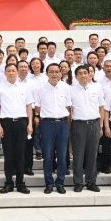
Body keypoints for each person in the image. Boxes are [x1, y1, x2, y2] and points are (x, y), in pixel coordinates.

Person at [0, 63, 34, 194]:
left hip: (21, 122)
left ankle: (20, 183)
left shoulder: (25, 87)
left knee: (20, 154)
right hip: (6, 123)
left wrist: (30, 123)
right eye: (9, 71)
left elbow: (29, 106)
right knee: (8, 155)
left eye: (13, 70)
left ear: (17, 72)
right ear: (5, 73)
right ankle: (8, 183)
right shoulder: (0, 88)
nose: (11, 73)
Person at [33, 63, 72, 194]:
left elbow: (68, 107)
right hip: (47, 124)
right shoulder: (40, 89)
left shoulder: (66, 88)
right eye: (51, 72)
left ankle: (60, 183)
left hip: (62, 124)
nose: (54, 74)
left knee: (62, 156)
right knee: (48, 156)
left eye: (56, 72)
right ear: (47, 73)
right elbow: (37, 107)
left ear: (60, 73)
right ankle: (49, 183)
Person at [69, 65, 104, 192]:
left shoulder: (97, 88)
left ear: (90, 74)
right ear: (76, 76)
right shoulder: (71, 90)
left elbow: (101, 107)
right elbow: (69, 110)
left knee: (92, 154)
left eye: (85, 73)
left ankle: (91, 181)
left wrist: (101, 126)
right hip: (78, 125)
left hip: (94, 124)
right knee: (78, 155)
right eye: (80, 73)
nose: (83, 75)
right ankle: (78, 182)